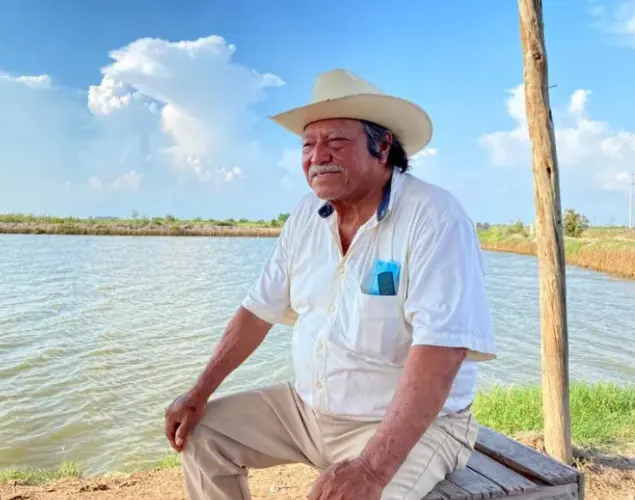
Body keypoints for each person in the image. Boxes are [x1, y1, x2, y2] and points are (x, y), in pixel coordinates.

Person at [164, 68, 497, 500]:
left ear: (383, 148)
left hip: (416, 427)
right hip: (308, 411)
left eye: (336, 141)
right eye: (308, 144)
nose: (317, 155)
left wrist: (372, 470)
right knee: (204, 433)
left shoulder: (434, 217)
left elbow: (442, 350)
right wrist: (198, 391)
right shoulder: (306, 215)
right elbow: (256, 311)